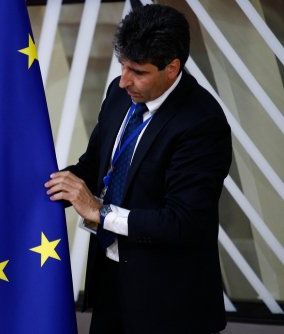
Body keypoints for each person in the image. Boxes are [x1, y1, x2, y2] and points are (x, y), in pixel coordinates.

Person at [45, 4, 232, 334]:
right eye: (122, 66)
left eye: (138, 71)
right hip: (111, 284)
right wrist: (36, 190)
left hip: (168, 303)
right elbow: (93, 167)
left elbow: (182, 221)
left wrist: (101, 213)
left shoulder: (202, 122)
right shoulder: (119, 95)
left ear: (172, 68)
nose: (124, 81)